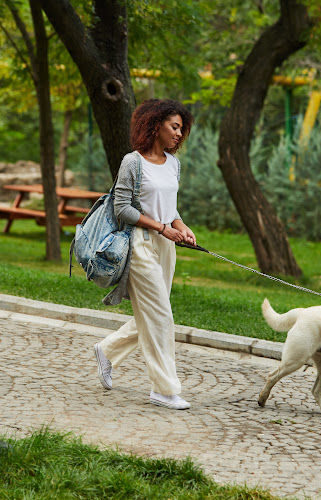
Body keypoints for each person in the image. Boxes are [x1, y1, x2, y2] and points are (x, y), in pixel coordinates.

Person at [93, 99, 196, 410]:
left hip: (166, 246)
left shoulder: (173, 164)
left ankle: (107, 350)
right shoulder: (132, 162)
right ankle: (164, 389)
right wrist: (162, 227)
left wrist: (181, 226)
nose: (179, 134)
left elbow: (169, 205)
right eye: (174, 127)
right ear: (155, 125)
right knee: (161, 315)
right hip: (139, 244)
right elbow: (121, 208)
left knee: (153, 312)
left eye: (181, 129)